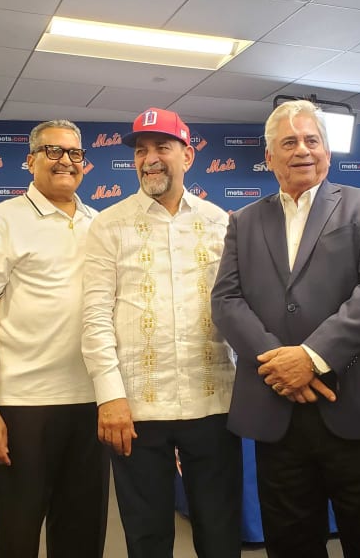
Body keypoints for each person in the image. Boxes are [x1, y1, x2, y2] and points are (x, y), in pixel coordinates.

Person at [211, 99, 360, 558]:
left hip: (357, 408)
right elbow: (226, 300)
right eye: (289, 142)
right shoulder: (244, 220)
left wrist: (311, 358)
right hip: (277, 412)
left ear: (327, 151)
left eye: (311, 140)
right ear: (269, 157)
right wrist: (280, 364)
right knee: (290, 545)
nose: (302, 150)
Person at [82, 107, 240, 557]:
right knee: (147, 537)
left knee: (220, 533)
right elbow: (95, 316)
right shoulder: (108, 225)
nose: (149, 158)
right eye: (141, 150)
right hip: (137, 409)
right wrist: (110, 396)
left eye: (162, 147)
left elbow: (237, 307)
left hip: (213, 403)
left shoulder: (220, 222)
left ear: (187, 156)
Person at [0, 119, 108, 558]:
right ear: (30, 161)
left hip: (91, 403)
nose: (66, 161)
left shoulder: (100, 223)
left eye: (75, 153)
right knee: (17, 537)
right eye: (53, 151)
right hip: (24, 407)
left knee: (82, 539)